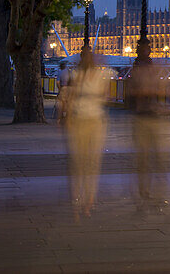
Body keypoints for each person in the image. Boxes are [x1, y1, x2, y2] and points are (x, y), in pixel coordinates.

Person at [66, 53, 108, 219]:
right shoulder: (76, 76)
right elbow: (70, 99)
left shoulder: (100, 76)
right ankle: (77, 200)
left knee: (92, 163)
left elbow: (105, 97)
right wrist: (68, 119)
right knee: (79, 162)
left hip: (95, 121)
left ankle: (89, 201)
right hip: (80, 120)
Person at [129, 60, 168, 211]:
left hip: (155, 120)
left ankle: (156, 194)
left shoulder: (157, 77)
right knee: (144, 160)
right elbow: (132, 96)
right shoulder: (137, 77)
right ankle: (144, 193)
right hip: (142, 120)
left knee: (158, 160)